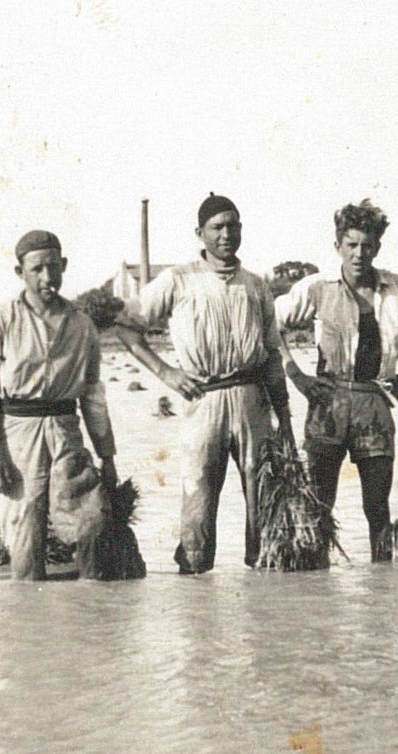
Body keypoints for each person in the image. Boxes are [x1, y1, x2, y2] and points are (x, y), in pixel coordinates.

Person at [113, 193, 292, 574]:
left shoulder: (257, 286)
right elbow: (127, 327)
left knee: (263, 502)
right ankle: (194, 588)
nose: (227, 234)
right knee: (197, 503)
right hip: (203, 399)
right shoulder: (178, 279)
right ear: (200, 233)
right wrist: (167, 373)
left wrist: (286, 422)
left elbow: (273, 355)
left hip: (251, 398)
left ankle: (266, 592)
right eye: (218, 227)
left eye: (234, 225)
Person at [275, 199, 398, 561]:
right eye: (352, 245)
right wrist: (296, 375)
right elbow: (270, 324)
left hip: (375, 401)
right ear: (338, 246)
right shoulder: (318, 287)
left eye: (368, 245)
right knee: (318, 504)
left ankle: (382, 584)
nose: (360, 253)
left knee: (377, 507)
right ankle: (316, 584)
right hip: (328, 400)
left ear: (378, 246)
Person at [0, 229, 118, 580]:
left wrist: (107, 458)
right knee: (24, 538)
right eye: (37, 269)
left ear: (64, 265)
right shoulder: (0, 318)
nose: (47, 277)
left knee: (94, 521)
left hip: (67, 429)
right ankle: (26, 620)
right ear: (20, 272)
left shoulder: (82, 326)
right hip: (17, 433)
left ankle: (91, 615)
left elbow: (93, 397)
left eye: (54, 266)